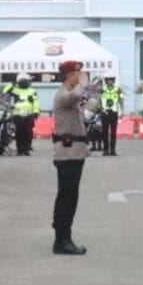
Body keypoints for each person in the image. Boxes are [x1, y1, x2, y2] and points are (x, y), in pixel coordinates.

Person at [48, 59, 96, 255]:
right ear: (70, 76)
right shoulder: (63, 95)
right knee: (66, 197)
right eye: (78, 74)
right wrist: (82, 85)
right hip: (67, 153)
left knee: (70, 196)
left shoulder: (71, 96)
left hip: (74, 152)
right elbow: (73, 97)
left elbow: (82, 104)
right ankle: (61, 239)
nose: (81, 77)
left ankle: (64, 236)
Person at [11, 79, 38, 155]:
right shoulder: (16, 90)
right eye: (21, 82)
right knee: (18, 133)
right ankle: (19, 150)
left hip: (28, 115)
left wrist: (36, 112)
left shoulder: (32, 91)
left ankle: (26, 150)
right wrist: (12, 83)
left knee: (28, 133)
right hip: (18, 115)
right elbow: (5, 90)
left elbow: (36, 102)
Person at [98, 77, 122, 155]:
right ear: (106, 81)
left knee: (113, 132)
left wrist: (121, 111)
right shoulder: (102, 89)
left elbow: (121, 99)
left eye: (111, 80)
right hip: (105, 112)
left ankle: (113, 150)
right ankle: (105, 150)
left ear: (113, 81)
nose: (110, 82)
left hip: (114, 112)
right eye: (108, 80)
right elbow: (99, 99)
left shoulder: (118, 89)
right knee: (104, 132)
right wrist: (99, 108)